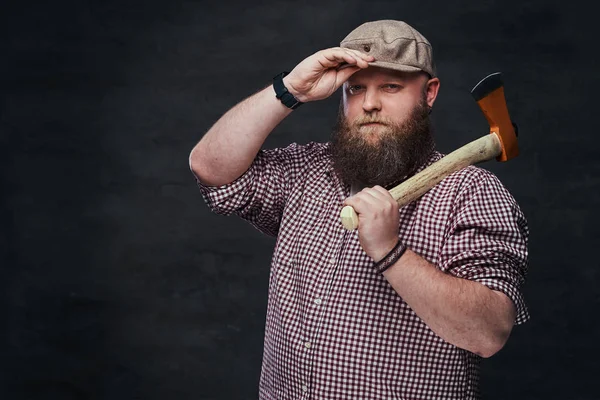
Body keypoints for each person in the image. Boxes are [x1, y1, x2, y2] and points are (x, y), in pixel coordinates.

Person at [189, 19, 529, 400]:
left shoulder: (471, 192)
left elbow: (488, 333)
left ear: (429, 94)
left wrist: (390, 251)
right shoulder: (306, 169)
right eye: (356, 89)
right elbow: (210, 169)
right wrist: (290, 90)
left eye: (390, 87)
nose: (369, 103)